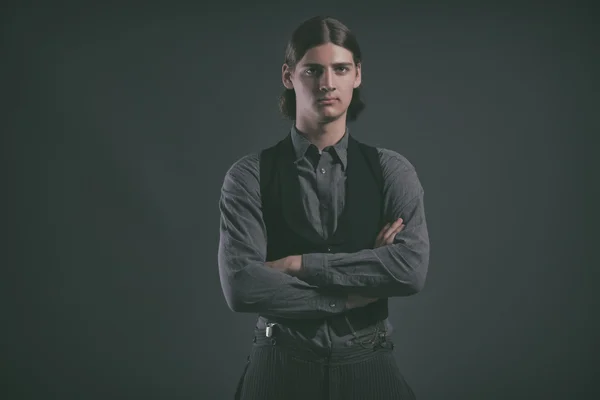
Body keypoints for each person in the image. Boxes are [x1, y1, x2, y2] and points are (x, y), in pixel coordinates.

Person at [218, 15, 430, 400]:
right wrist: (355, 288)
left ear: (357, 75)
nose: (327, 83)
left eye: (340, 68)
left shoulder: (391, 171)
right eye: (313, 70)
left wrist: (299, 264)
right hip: (279, 367)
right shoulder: (248, 175)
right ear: (289, 76)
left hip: (370, 366)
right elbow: (242, 287)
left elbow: (410, 271)